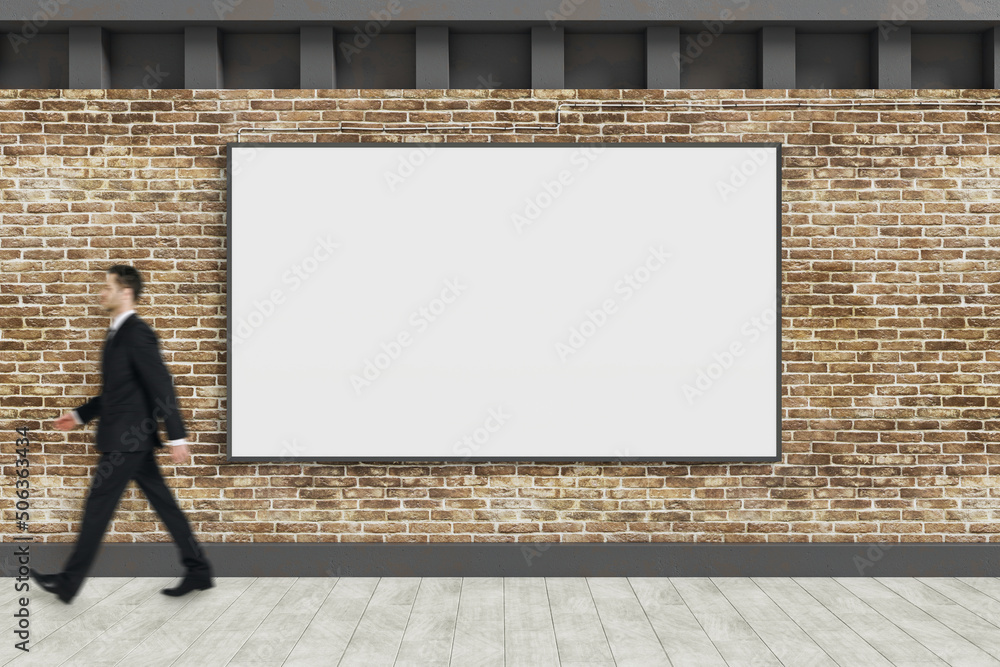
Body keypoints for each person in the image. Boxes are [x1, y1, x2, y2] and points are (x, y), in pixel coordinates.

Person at [29, 264, 213, 603]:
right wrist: (79, 415)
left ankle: (68, 583)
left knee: (98, 506)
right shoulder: (117, 334)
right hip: (132, 439)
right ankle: (199, 569)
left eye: (107, 286)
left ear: (125, 292)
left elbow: (161, 384)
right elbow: (118, 393)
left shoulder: (136, 333)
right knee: (164, 504)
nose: (101, 292)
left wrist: (177, 437)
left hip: (126, 441)